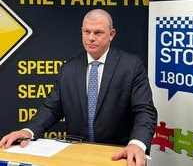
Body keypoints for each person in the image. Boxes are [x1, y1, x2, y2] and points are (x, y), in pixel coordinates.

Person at [0, 9, 157, 166]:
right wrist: (28, 131)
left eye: (98, 33)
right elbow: (51, 109)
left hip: (117, 154)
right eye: (86, 32)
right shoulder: (68, 69)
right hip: (76, 156)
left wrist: (137, 143)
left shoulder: (131, 66)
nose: (91, 38)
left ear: (111, 34)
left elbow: (144, 111)